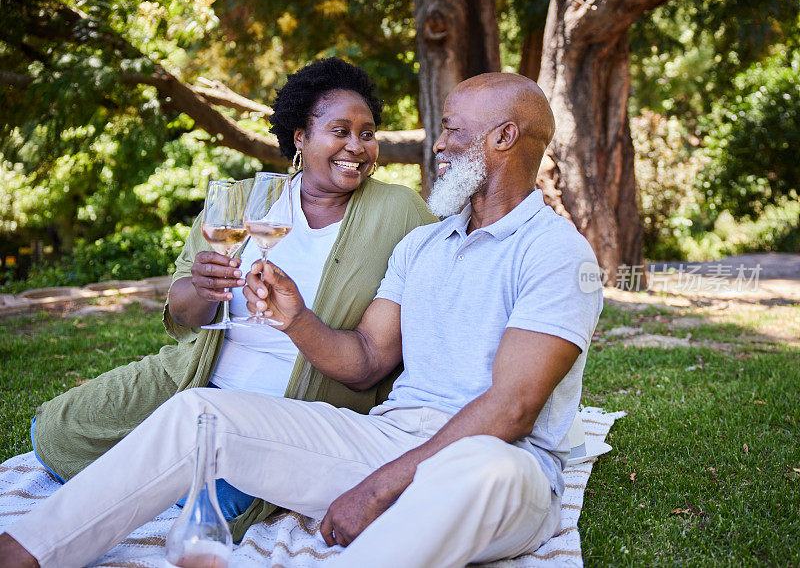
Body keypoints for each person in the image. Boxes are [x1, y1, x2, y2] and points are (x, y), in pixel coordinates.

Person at [0, 72, 603, 568]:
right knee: (199, 414)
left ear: (503, 137)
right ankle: (25, 550)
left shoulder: (555, 252)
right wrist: (296, 319)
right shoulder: (425, 245)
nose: (438, 144)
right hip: (391, 441)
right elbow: (367, 360)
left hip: (504, 468)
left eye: (451, 129)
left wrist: (376, 489)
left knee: (484, 467)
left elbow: (512, 408)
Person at [27, 57, 436, 534]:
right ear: (300, 137)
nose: (357, 147)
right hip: (196, 378)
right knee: (52, 432)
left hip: (293, 407)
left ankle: (166, 477)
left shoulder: (398, 209)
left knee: (214, 492)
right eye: (339, 131)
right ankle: (160, 473)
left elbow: (389, 345)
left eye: (367, 134)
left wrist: (297, 318)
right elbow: (183, 311)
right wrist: (202, 288)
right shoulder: (244, 199)